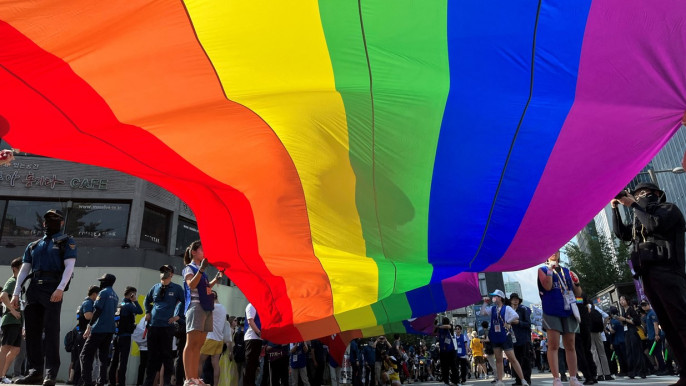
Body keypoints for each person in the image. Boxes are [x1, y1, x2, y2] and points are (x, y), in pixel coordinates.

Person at [612, 181, 686, 385]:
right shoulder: (639, 218)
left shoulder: (668, 209)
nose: (640, 196)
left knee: (680, 322)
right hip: (648, 275)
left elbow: (655, 224)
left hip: (668, 272)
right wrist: (615, 207)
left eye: (643, 193)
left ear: (656, 194)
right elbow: (622, 234)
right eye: (636, 193)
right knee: (669, 327)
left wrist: (634, 205)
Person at [12, 209, 76, 386]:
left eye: (55, 219)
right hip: (34, 288)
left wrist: (60, 289)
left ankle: (50, 373)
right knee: (32, 333)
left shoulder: (66, 241)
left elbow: (69, 268)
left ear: (62, 223)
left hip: (52, 288)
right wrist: (16, 292)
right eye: (48, 220)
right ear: (43, 223)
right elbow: (24, 270)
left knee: (51, 331)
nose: (51, 223)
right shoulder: (34, 245)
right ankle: (35, 372)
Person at [537, 251, 583, 386]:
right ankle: (556, 378)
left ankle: (573, 378)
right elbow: (548, 286)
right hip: (552, 310)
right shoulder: (542, 269)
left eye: (557, 250)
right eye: (551, 250)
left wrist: (577, 283)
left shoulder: (567, 271)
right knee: (553, 345)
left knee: (570, 345)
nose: (554, 253)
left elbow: (578, 294)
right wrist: (550, 270)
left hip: (568, 310)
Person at [182, 241, 221, 386]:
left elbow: (204, 286)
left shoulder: (200, 270)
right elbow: (191, 284)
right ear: (193, 252)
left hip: (206, 307)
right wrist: (202, 269)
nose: (204, 252)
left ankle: (195, 378)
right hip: (196, 307)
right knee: (191, 343)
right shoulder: (189, 268)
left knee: (199, 344)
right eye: (201, 250)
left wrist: (216, 279)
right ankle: (189, 379)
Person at [143, 265, 185, 386]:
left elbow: (185, 301)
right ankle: (148, 382)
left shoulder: (176, 288)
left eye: (166, 271)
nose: (163, 273)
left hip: (167, 327)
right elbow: (147, 300)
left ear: (171, 274)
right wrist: (147, 312)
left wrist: (178, 316)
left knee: (166, 356)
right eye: (162, 270)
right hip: (153, 326)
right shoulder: (155, 287)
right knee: (151, 357)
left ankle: (166, 383)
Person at [480, 290, 529, 386]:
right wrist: (485, 303)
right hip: (495, 336)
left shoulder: (507, 308)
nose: (494, 298)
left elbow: (516, 315)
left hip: (505, 336)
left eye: (495, 296)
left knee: (512, 359)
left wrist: (508, 322)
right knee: (498, 359)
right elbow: (482, 313)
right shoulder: (492, 308)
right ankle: (500, 380)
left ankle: (523, 380)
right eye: (493, 296)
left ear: (500, 298)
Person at [80, 274, 119, 386]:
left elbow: (97, 310)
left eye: (102, 281)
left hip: (99, 328)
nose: (100, 283)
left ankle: (87, 382)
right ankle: (101, 382)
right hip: (110, 330)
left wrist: (89, 325)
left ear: (106, 282)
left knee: (85, 355)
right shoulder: (115, 295)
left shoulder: (103, 293)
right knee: (103, 357)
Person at [109, 286, 143, 386]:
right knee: (123, 362)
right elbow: (140, 311)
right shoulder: (129, 305)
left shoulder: (120, 304)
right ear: (131, 294)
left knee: (114, 361)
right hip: (125, 337)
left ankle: (112, 382)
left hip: (117, 336)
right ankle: (121, 382)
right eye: (134, 294)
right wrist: (135, 301)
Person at [0, 258, 23, 383]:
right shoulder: (12, 281)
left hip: (18, 322)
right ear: (15, 268)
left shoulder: (19, 283)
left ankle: (2, 375)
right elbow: (2, 296)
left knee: (15, 349)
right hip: (10, 320)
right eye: (21, 267)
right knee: (5, 347)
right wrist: (12, 311)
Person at [199, 291, 226, 386]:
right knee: (215, 364)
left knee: (199, 361)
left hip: (210, 338)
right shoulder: (223, 308)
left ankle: (196, 382)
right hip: (219, 339)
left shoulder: (212, 307)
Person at [509, 293, 532, 385]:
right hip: (512, 339)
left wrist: (518, 322)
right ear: (510, 300)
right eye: (513, 299)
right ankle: (518, 380)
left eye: (517, 299)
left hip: (524, 338)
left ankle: (527, 380)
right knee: (515, 360)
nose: (515, 300)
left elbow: (528, 324)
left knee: (525, 360)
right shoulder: (508, 310)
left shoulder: (523, 309)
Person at [641, 301, 667, 375]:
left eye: (645, 305)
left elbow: (655, 324)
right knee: (655, 353)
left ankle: (663, 368)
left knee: (658, 353)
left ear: (649, 305)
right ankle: (660, 368)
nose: (644, 307)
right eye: (643, 306)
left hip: (655, 336)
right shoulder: (647, 314)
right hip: (651, 337)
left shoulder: (652, 313)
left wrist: (656, 334)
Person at [434, 316, 459, 386]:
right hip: (443, 350)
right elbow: (434, 332)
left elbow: (448, 326)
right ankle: (446, 381)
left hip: (451, 349)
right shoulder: (439, 328)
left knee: (453, 366)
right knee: (445, 367)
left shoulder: (449, 326)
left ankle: (455, 381)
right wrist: (435, 325)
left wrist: (438, 326)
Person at [243, 303, 262, 386]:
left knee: (254, 365)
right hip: (251, 338)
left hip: (257, 339)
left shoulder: (259, 306)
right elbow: (250, 321)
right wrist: (259, 332)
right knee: (249, 365)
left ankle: (251, 383)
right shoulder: (251, 305)